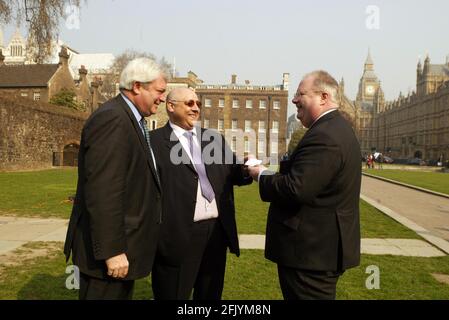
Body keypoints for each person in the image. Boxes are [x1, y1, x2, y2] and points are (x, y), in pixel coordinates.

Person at [248, 70, 361, 300]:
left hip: (312, 253)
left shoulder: (325, 135)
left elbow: (296, 188)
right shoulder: (332, 129)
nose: (294, 100)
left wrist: (260, 174)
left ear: (323, 97)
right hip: (318, 252)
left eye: (301, 94)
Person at [63, 58, 167, 300]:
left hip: (124, 251)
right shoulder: (113, 119)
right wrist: (113, 252)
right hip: (108, 258)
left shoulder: (131, 120)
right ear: (137, 86)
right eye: (160, 91)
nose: (162, 98)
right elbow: (103, 191)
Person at [149, 87, 252, 300]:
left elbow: (232, 173)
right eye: (189, 103)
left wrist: (246, 168)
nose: (196, 108)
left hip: (216, 233)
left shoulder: (213, 139)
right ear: (170, 106)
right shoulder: (153, 142)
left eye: (197, 104)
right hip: (176, 236)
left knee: (210, 296)